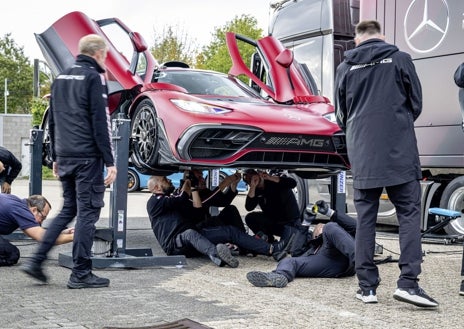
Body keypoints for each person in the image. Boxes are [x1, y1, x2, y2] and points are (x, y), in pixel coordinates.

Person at [334, 20, 438, 307]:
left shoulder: (345, 68)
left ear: (357, 40)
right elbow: (416, 103)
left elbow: (341, 116)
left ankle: (367, 288)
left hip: (363, 154)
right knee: (407, 215)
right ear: (381, 36)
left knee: (365, 219)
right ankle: (408, 284)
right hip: (399, 152)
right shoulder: (400, 58)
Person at [21, 34, 117, 289]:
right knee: (88, 213)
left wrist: (54, 156)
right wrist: (110, 161)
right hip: (88, 158)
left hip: (65, 157)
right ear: (98, 53)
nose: (105, 60)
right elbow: (101, 122)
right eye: (105, 55)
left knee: (68, 210)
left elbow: (52, 119)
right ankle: (81, 273)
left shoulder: (60, 78)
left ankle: (36, 262)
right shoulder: (94, 77)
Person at [146, 175, 294, 267]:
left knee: (229, 231)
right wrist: (187, 184)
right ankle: (218, 256)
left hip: (194, 236)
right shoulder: (155, 201)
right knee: (190, 233)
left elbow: (198, 206)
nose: (169, 180)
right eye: (165, 180)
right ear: (157, 187)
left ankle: (271, 250)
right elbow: (182, 197)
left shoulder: (171, 198)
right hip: (175, 244)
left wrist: (194, 188)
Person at [246, 200, 356, 288]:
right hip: (326, 261)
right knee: (288, 261)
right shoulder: (313, 246)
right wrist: (306, 223)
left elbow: (356, 226)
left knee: (330, 227)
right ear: (315, 235)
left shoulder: (340, 232)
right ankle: (278, 276)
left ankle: (362, 264)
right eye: (318, 227)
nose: (321, 226)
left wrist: (330, 213)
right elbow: (295, 252)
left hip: (348, 256)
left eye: (322, 226)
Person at [0, 194, 73, 266]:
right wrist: (75, 236)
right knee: (12, 254)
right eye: (42, 217)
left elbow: (33, 231)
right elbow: (44, 237)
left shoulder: (18, 203)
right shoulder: (21, 211)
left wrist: (62, 232)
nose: (41, 222)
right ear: (34, 210)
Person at [243, 169, 301, 243]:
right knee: (250, 218)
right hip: (274, 221)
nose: (253, 180)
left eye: (253, 177)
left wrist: (270, 177)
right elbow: (249, 207)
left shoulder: (274, 182)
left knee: (288, 246)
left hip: (290, 222)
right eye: (249, 180)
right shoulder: (256, 191)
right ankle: (269, 241)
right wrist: (253, 187)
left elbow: (293, 183)